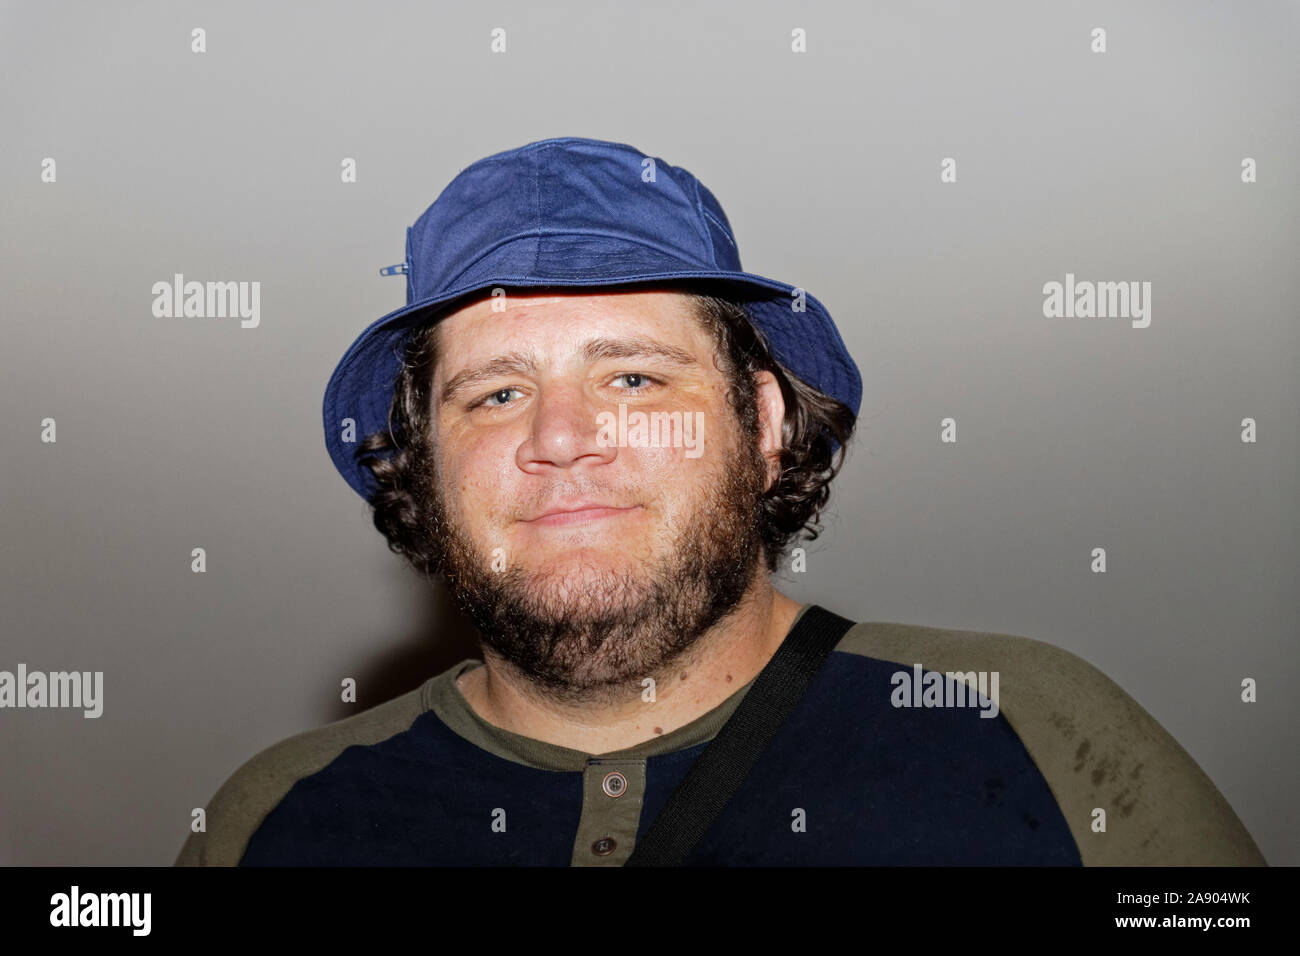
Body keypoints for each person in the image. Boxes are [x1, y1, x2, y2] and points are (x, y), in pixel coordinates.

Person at [174, 137, 1264, 866]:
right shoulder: (266, 818)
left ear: (764, 423)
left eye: (634, 377)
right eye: (497, 392)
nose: (559, 438)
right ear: (422, 461)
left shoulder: (1036, 726)